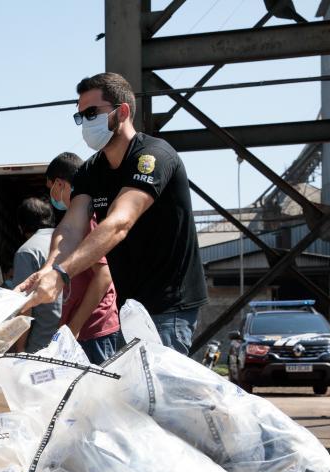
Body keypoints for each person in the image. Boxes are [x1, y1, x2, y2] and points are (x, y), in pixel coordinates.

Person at [17, 73, 208, 355]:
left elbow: (120, 222)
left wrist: (63, 274)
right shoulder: (91, 171)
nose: (86, 122)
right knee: (131, 395)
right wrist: (48, 269)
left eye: (92, 112)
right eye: (80, 116)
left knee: (156, 396)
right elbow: (70, 228)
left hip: (168, 307)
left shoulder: (152, 157)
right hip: (127, 307)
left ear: (123, 112)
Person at [46, 152, 122, 364]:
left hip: (93, 330)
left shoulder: (88, 218)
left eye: (50, 187)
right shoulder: (78, 219)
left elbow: (103, 276)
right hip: (83, 331)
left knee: (97, 394)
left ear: (59, 184)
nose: (51, 196)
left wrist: (74, 328)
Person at [13, 198, 62, 352]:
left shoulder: (27, 251)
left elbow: (24, 307)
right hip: (75, 339)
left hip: (42, 343)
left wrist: (20, 349)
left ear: (21, 226)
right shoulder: (70, 241)